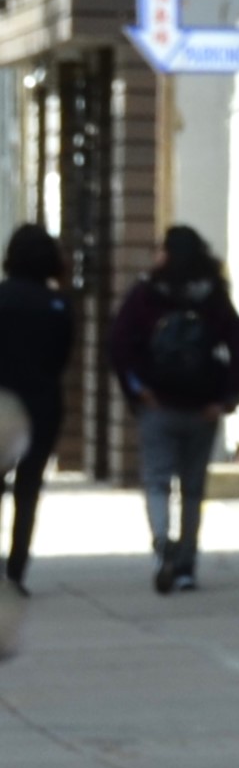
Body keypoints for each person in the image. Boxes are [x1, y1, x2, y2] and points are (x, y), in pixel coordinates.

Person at [108, 225, 239, 594]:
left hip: (158, 403)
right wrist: (228, 397)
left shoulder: (146, 293)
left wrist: (137, 390)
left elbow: (119, 343)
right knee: (192, 487)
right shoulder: (213, 295)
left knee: (157, 481)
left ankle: (162, 545)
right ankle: (187, 565)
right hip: (203, 406)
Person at [0, 223, 74, 594]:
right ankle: (16, 571)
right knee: (28, 489)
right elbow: (62, 357)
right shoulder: (58, 305)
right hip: (42, 403)